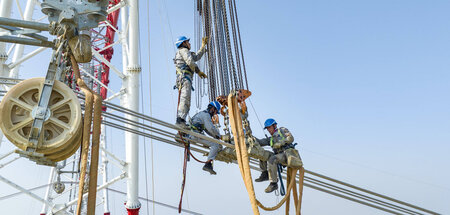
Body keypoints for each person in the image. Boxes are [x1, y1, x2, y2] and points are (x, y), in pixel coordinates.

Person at [254, 118, 300, 193]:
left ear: (274, 125)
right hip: (279, 156)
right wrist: (249, 136)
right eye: (267, 128)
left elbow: (291, 138)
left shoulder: (282, 130)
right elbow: (260, 142)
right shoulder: (271, 139)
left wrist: (281, 143)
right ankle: (265, 174)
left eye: (269, 127)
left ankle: (273, 184)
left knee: (272, 159)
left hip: (287, 154)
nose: (268, 130)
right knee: (262, 154)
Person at [174, 36, 208, 129]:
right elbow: (190, 61)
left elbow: (195, 57)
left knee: (186, 100)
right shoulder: (183, 51)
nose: (189, 43)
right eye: (188, 42)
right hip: (184, 78)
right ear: (183, 43)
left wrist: (202, 47)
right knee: (185, 99)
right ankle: (180, 120)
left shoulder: (185, 52)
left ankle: (182, 120)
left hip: (185, 79)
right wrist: (198, 71)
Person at [189, 101, 230, 175]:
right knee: (215, 144)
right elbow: (210, 128)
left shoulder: (202, 114)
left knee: (214, 143)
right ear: (213, 108)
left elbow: (207, 130)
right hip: (195, 134)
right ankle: (208, 164)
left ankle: (209, 160)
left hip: (193, 133)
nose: (215, 114)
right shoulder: (206, 115)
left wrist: (217, 136)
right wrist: (220, 136)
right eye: (215, 112)